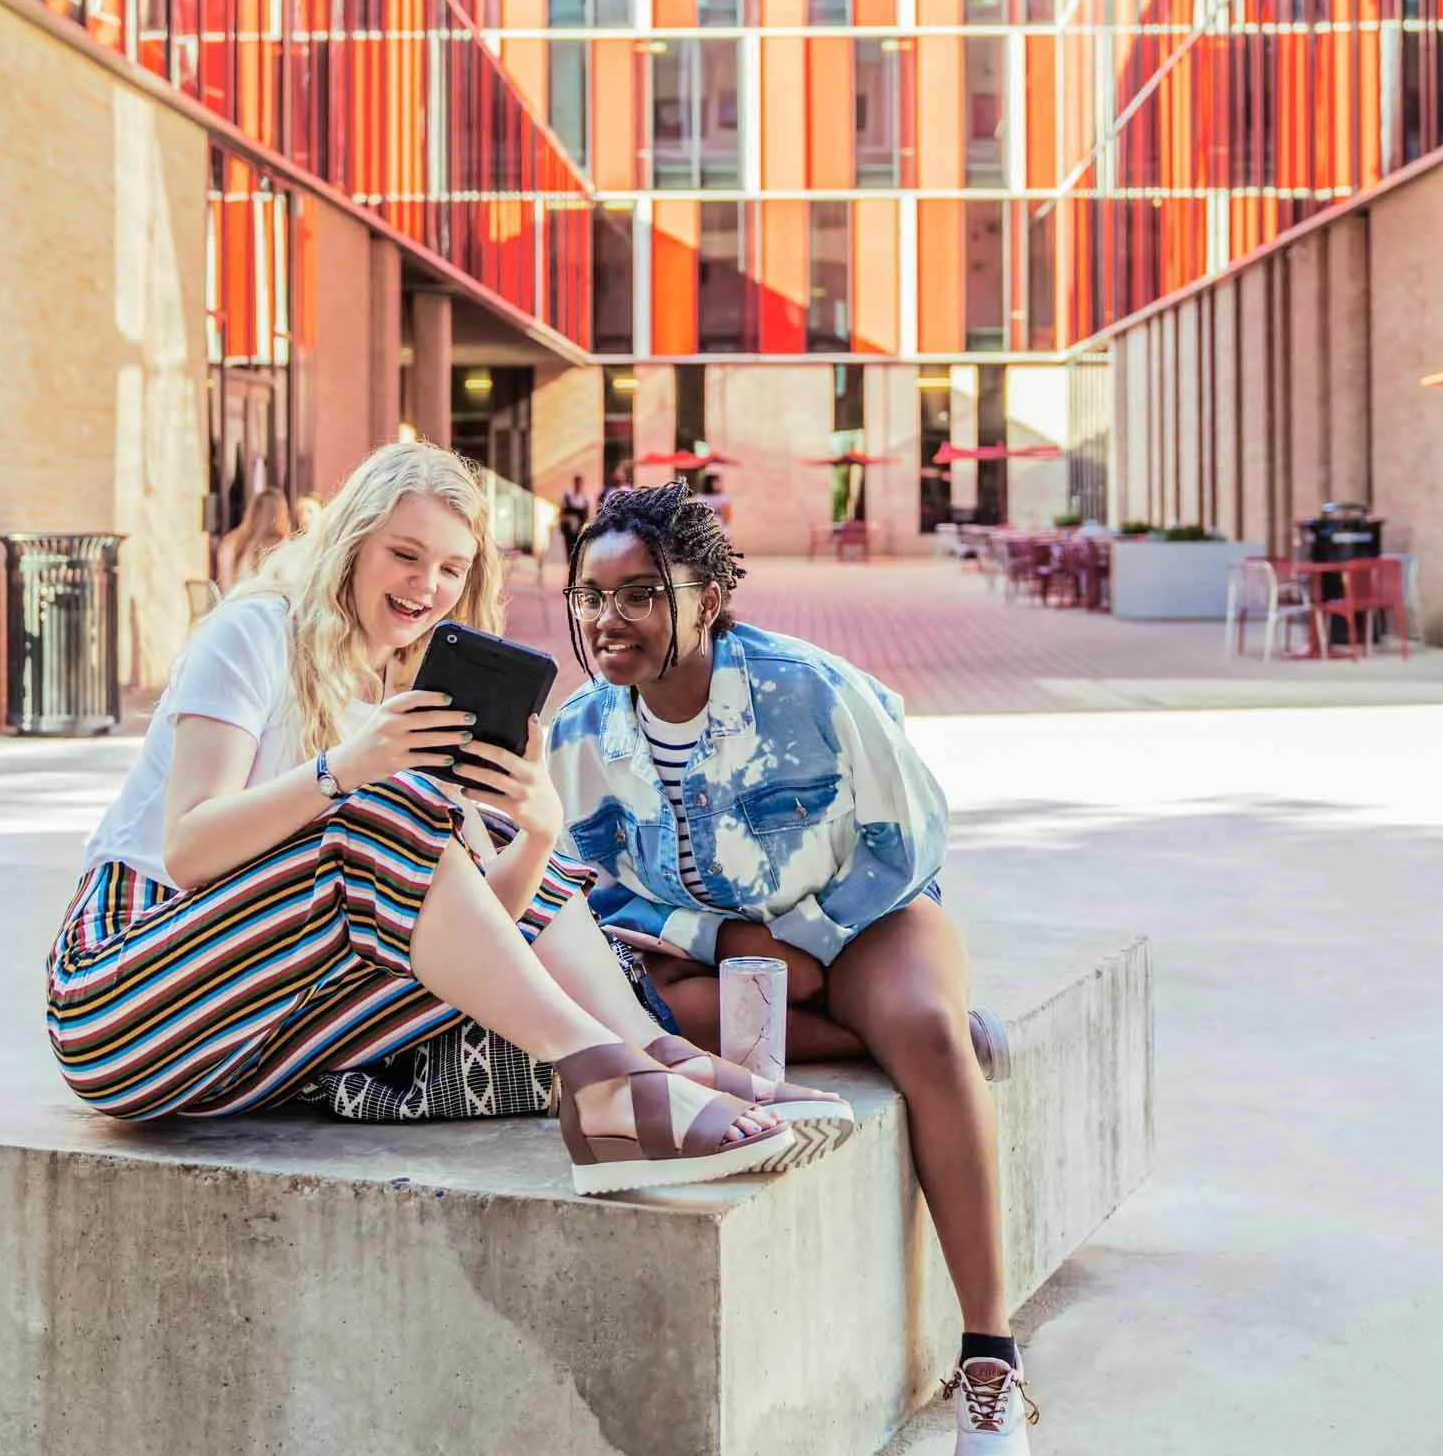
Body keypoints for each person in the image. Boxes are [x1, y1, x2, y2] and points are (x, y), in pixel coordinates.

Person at [46, 441, 851, 1195]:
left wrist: (538, 834)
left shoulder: (406, 698)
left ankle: (656, 1057)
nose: (427, 585)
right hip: (126, 1001)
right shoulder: (255, 633)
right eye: (405, 554)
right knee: (387, 806)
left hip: (258, 1042)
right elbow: (188, 851)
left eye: (451, 569)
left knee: (489, 835)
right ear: (352, 544)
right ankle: (608, 1085)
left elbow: (464, 938)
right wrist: (344, 770)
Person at [547, 480, 1036, 1456]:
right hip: (716, 954)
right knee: (654, 1022)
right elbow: (588, 883)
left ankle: (991, 1363)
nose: (606, 620)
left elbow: (910, 834)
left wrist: (807, 949)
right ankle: (889, 1038)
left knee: (919, 1027)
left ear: (710, 596)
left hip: (865, 918)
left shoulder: (810, 690)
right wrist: (718, 938)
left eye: (639, 595)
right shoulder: (583, 731)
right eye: (591, 596)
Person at [215, 486, 293, 592]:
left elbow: (224, 587)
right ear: (281, 514)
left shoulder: (230, 542)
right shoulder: (282, 547)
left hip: (232, 605)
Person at [558, 474, 591, 564]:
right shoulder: (568, 496)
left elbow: (586, 515)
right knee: (569, 549)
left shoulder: (585, 498)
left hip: (579, 528)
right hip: (569, 527)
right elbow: (561, 511)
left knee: (578, 549)